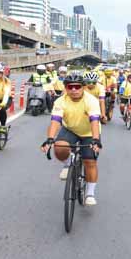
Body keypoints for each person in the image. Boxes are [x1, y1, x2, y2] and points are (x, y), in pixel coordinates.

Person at [40, 71, 102, 206]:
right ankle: (68, 163)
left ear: (83, 87)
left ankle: (90, 193)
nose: (74, 90)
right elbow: (56, 121)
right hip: (70, 129)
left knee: (89, 161)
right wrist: (50, 139)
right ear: (66, 88)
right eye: (70, 87)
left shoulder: (91, 101)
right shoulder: (60, 101)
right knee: (59, 147)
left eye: (77, 86)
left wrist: (96, 140)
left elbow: (94, 121)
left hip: (89, 132)